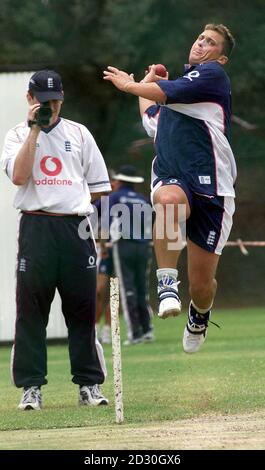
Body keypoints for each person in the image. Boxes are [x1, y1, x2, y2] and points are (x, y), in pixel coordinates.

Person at [103, 24, 236, 353]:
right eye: (201, 38)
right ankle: (166, 285)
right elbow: (151, 115)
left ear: (220, 58)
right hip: (173, 177)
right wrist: (146, 84)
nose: (201, 44)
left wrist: (131, 85)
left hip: (214, 190)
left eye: (211, 43)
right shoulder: (178, 92)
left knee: (202, 286)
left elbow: (162, 94)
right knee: (168, 199)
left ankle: (200, 314)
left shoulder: (211, 77)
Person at [1, 69, 111, 410]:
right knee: (31, 310)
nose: (51, 107)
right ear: (30, 99)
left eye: (55, 101)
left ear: (62, 98)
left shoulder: (79, 133)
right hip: (36, 227)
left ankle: (89, 385)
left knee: (82, 309)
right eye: (44, 101)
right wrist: (35, 129)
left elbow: (99, 187)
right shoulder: (17, 134)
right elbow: (19, 176)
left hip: (75, 228)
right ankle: (31, 388)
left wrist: (85, 221)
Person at [104, 164, 154, 345]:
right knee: (142, 287)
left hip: (123, 245)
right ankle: (147, 329)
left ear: (120, 180)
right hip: (144, 247)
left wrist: (104, 243)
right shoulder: (143, 199)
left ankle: (135, 334)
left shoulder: (115, 197)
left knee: (127, 289)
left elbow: (104, 221)